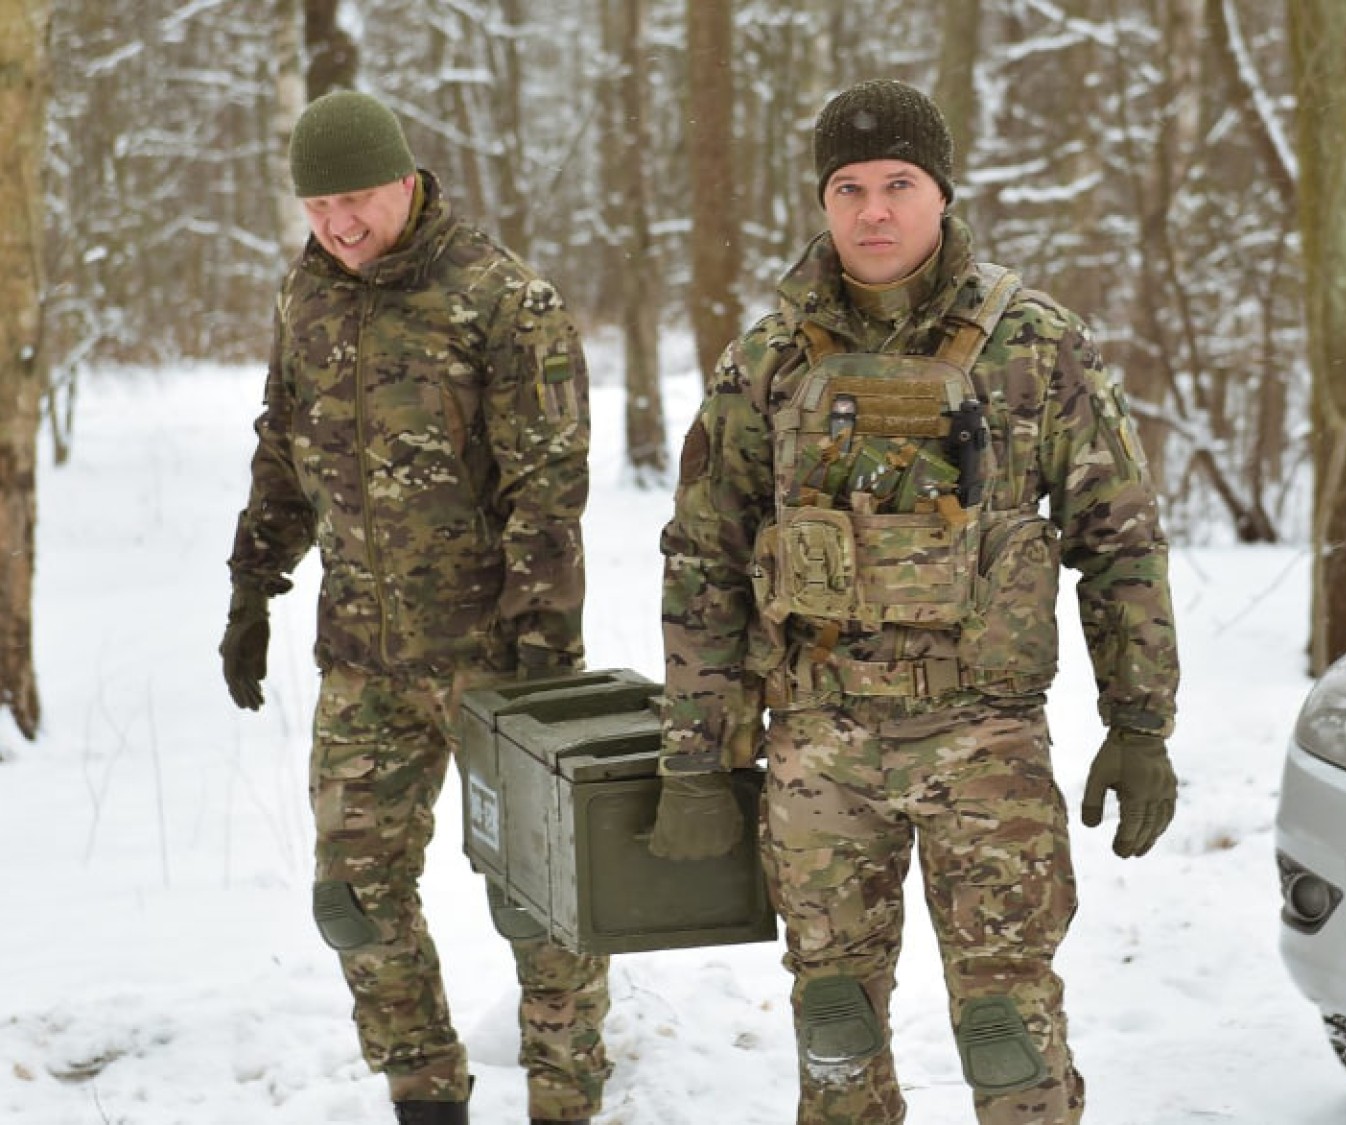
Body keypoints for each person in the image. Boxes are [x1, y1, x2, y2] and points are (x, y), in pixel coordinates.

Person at [649, 79, 1180, 1124]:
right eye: (848, 188)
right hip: (819, 742)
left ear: (942, 192)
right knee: (835, 1027)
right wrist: (697, 758)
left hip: (985, 740)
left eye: (899, 183)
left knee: (1007, 1034)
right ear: (822, 201)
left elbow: (1119, 541)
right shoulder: (765, 361)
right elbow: (705, 560)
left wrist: (1140, 721)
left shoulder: (1036, 346)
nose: (874, 211)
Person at [218, 90, 609, 1125]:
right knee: (352, 899)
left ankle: (565, 1097)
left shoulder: (501, 299)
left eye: (355, 200)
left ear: (405, 182)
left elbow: (549, 489)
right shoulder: (306, 296)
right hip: (363, 657)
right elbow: (283, 446)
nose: (338, 225)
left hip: (497, 660)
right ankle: (425, 1093)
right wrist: (254, 583)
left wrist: (544, 655)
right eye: (317, 207)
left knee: (540, 903)